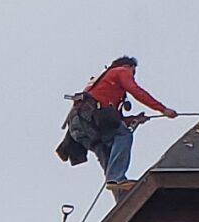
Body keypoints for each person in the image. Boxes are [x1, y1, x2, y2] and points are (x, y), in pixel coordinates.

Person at [60, 55, 182, 197]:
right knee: (124, 134)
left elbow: (112, 118)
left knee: (106, 153)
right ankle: (117, 179)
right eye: (133, 73)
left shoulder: (102, 84)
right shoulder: (121, 71)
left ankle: (120, 195)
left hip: (80, 126)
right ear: (129, 66)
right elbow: (136, 91)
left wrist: (135, 119)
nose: (132, 76)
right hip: (91, 119)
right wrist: (163, 109)